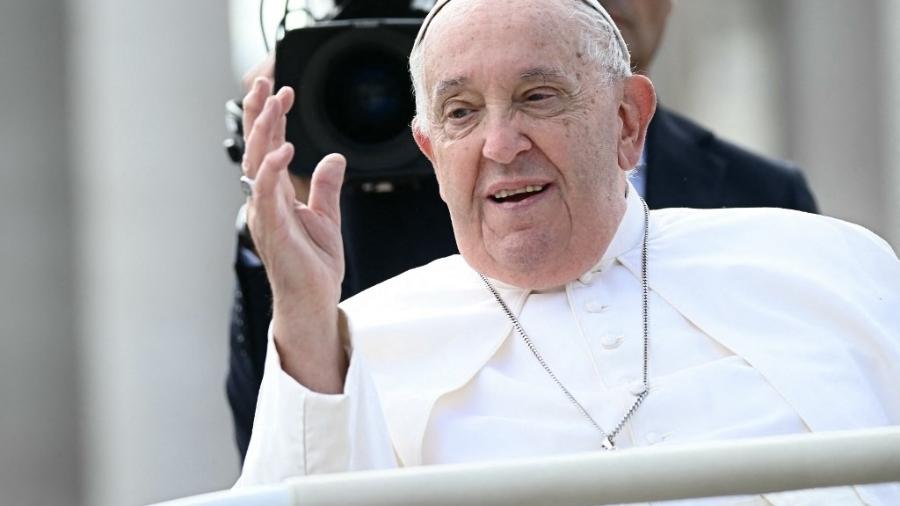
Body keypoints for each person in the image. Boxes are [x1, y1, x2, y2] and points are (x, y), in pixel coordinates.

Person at [233, 0, 899, 502]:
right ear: (432, 153)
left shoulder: (826, 265)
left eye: (538, 96)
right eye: (461, 111)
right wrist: (303, 313)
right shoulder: (356, 343)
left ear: (627, 122)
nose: (500, 144)